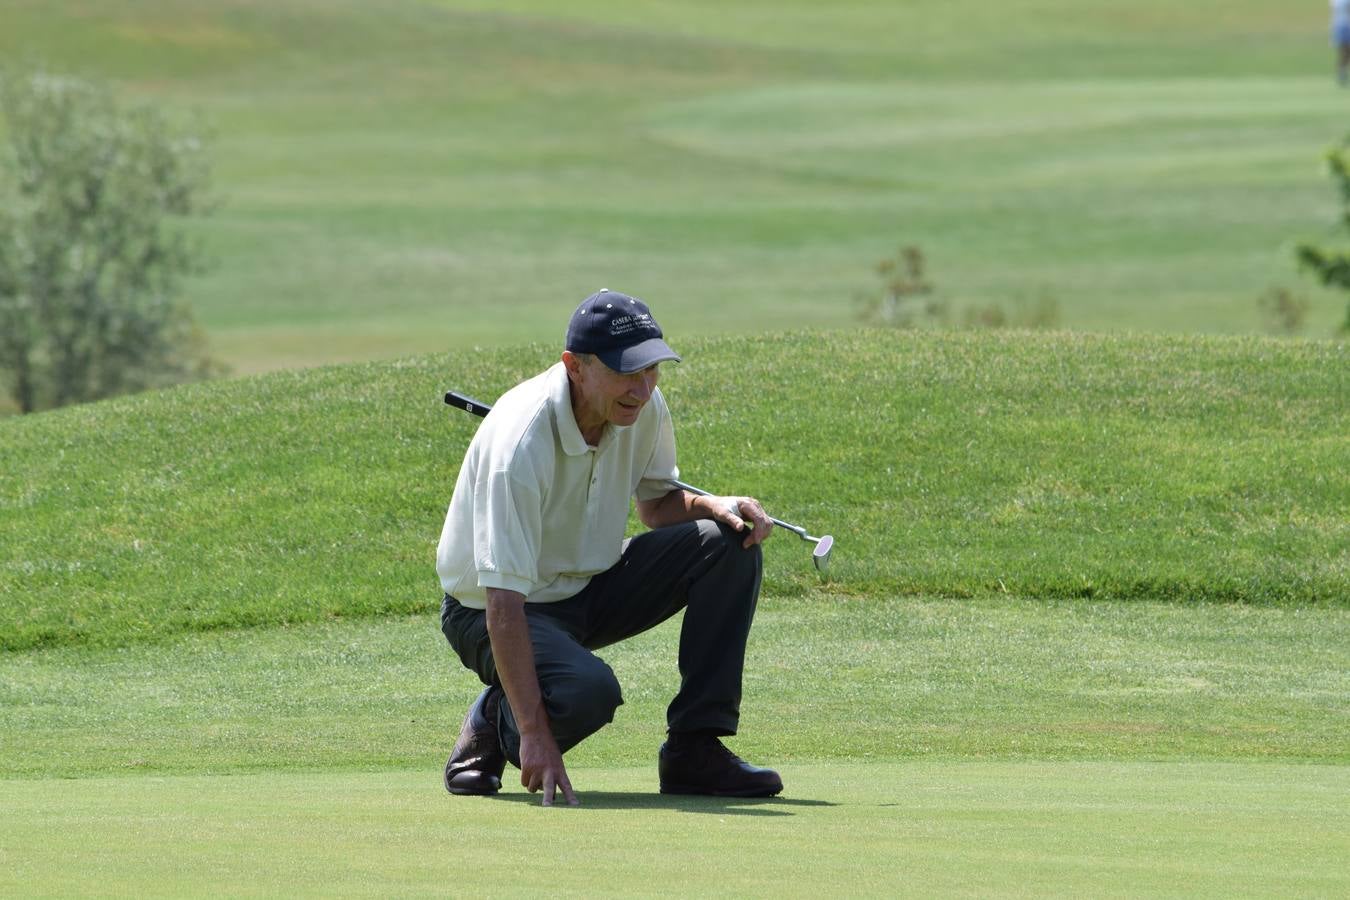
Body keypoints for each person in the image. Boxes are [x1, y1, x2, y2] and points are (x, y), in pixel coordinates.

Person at [436, 289, 782, 807]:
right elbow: (503, 605)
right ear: (574, 367)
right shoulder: (519, 443)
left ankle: (694, 750)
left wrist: (715, 504)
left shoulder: (642, 408)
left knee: (727, 541)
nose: (642, 390)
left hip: (591, 585)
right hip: (489, 608)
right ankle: (494, 720)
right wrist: (534, 733)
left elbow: (656, 505)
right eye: (626, 372)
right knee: (588, 693)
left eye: (651, 371)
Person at [1334, 0, 1350, 85]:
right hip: (1343, 26)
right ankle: (1342, 73)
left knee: (1346, 52)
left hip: (1343, 25)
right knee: (1344, 51)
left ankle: (1342, 72)